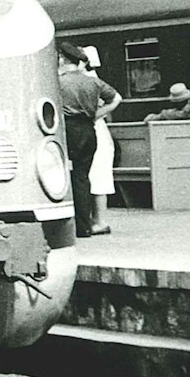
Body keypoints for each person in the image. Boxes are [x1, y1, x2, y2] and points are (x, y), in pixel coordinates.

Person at [57, 42, 120, 238]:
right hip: (88, 130)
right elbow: (116, 99)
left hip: (69, 130)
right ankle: (84, 227)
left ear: (63, 60)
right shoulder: (92, 82)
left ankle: (69, 225)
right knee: (83, 178)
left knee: (66, 177)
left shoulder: (58, 82)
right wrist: (95, 115)